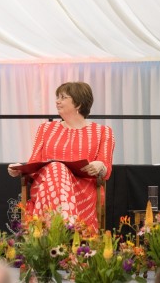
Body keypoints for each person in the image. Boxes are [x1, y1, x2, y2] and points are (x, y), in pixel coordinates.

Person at [7, 81, 115, 233]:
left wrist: (100, 165)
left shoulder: (103, 132)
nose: (57, 101)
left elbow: (106, 169)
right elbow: (34, 163)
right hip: (45, 186)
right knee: (56, 167)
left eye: (63, 97)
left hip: (82, 189)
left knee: (57, 167)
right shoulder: (46, 129)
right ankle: (66, 226)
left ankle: (50, 231)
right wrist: (19, 169)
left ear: (78, 104)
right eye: (57, 97)